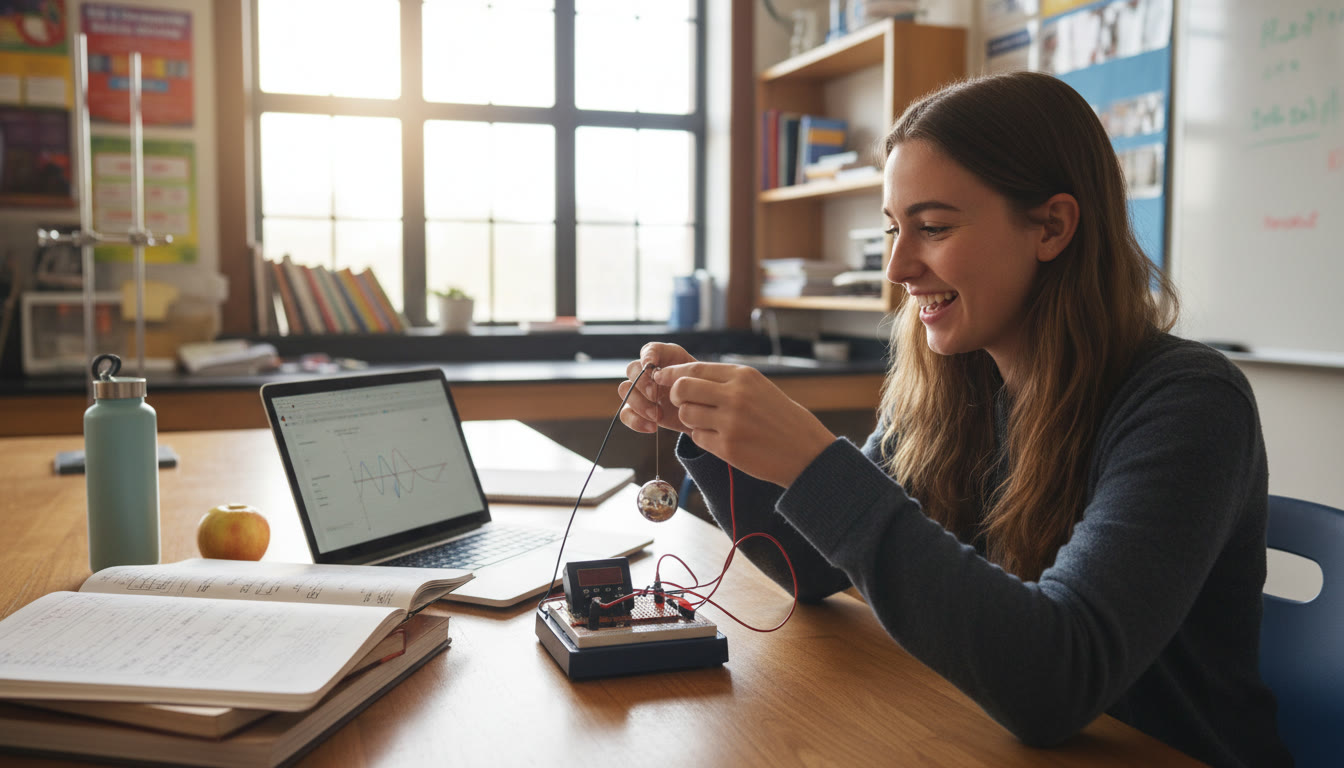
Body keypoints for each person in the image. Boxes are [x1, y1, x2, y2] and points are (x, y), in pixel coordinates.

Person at [617, 71, 1290, 768]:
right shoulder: (956, 381)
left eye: (933, 227)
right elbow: (814, 567)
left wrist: (816, 466)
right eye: (893, 230)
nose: (900, 267)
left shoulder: (1190, 404)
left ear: (1052, 227)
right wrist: (708, 431)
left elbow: (1056, 683)